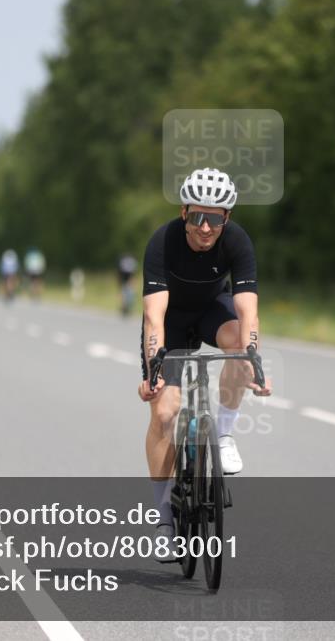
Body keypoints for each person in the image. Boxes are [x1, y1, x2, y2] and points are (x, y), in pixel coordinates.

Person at [137, 167, 272, 560]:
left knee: (241, 350)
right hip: (173, 320)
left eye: (214, 218)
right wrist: (153, 371)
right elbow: (153, 317)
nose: (205, 227)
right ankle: (163, 519)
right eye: (197, 216)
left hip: (214, 310)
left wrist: (253, 361)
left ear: (226, 218)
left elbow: (249, 313)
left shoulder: (238, 241)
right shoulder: (162, 243)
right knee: (164, 412)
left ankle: (224, 434)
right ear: (184, 213)